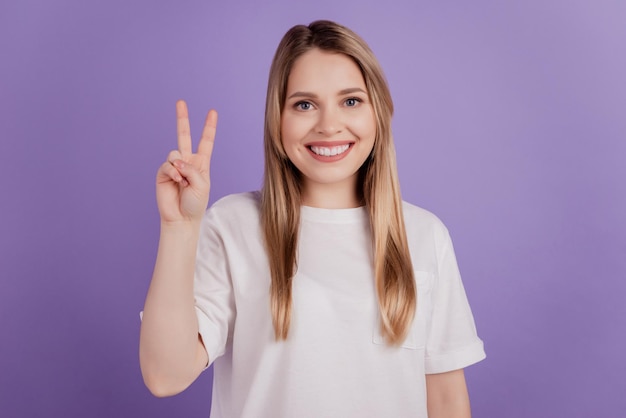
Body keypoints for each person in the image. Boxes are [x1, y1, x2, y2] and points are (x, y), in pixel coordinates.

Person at [139, 20, 485, 418]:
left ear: (380, 112)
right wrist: (179, 229)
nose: (328, 125)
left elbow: (446, 400)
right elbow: (165, 375)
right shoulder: (233, 225)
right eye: (304, 104)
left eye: (351, 101)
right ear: (277, 119)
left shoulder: (424, 236)